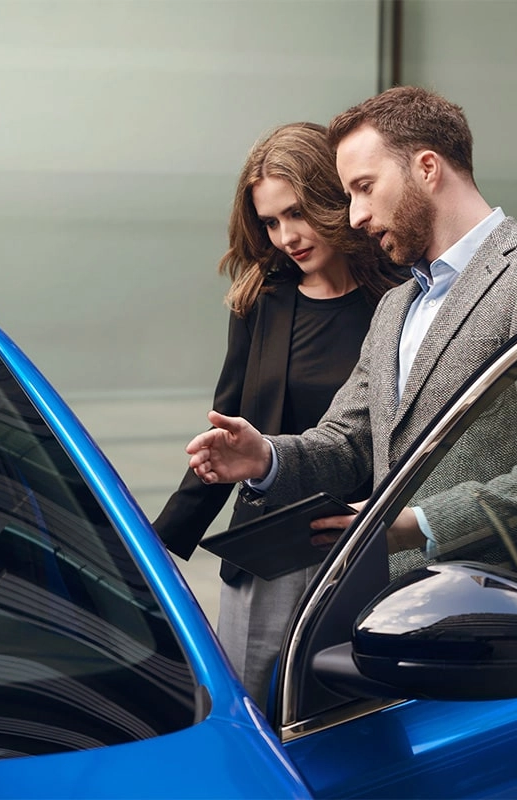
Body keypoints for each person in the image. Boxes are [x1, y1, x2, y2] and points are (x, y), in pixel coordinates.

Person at [186, 86, 517, 600]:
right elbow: (350, 442)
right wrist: (267, 457)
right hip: (395, 611)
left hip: (505, 617)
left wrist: (420, 524)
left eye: (364, 187)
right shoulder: (398, 304)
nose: (354, 216)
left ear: (427, 168)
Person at [152, 122, 402, 708]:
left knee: (354, 719)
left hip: (363, 546)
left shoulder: (399, 299)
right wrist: (160, 542)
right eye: (269, 221)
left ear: (332, 197)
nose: (286, 235)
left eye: (297, 213)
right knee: (250, 718)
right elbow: (229, 429)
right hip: (265, 558)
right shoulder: (262, 299)